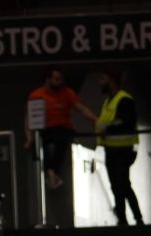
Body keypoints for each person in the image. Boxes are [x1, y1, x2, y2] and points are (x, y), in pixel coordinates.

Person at [24, 68, 97, 227]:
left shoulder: (67, 93)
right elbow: (29, 119)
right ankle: (51, 173)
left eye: (60, 79)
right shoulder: (37, 95)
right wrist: (29, 138)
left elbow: (81, 108)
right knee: (47, 144)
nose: (60, 82)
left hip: (64, 131)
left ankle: (51, 172)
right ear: (47, 79)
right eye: (56, 79)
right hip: (46, 132)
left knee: (60, 139)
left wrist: (95, 120)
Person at [95, 72, 143, 226]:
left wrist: (106, 128)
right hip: (111, 149)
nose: (100, 83)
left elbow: (126, 122)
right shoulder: (108, 101)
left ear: (112, 81)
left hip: (124, 149)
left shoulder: (124, 99)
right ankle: (122, 220)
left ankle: (138, 219)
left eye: (103, 79)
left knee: (123, 184)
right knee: (116, 185)